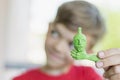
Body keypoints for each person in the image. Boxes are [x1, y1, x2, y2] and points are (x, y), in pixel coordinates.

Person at [13, 1, 120, 80]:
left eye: (72, 44)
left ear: (88, 51)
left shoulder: (89, 77)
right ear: (49, 27)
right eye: (55, 33)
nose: (58, 47)